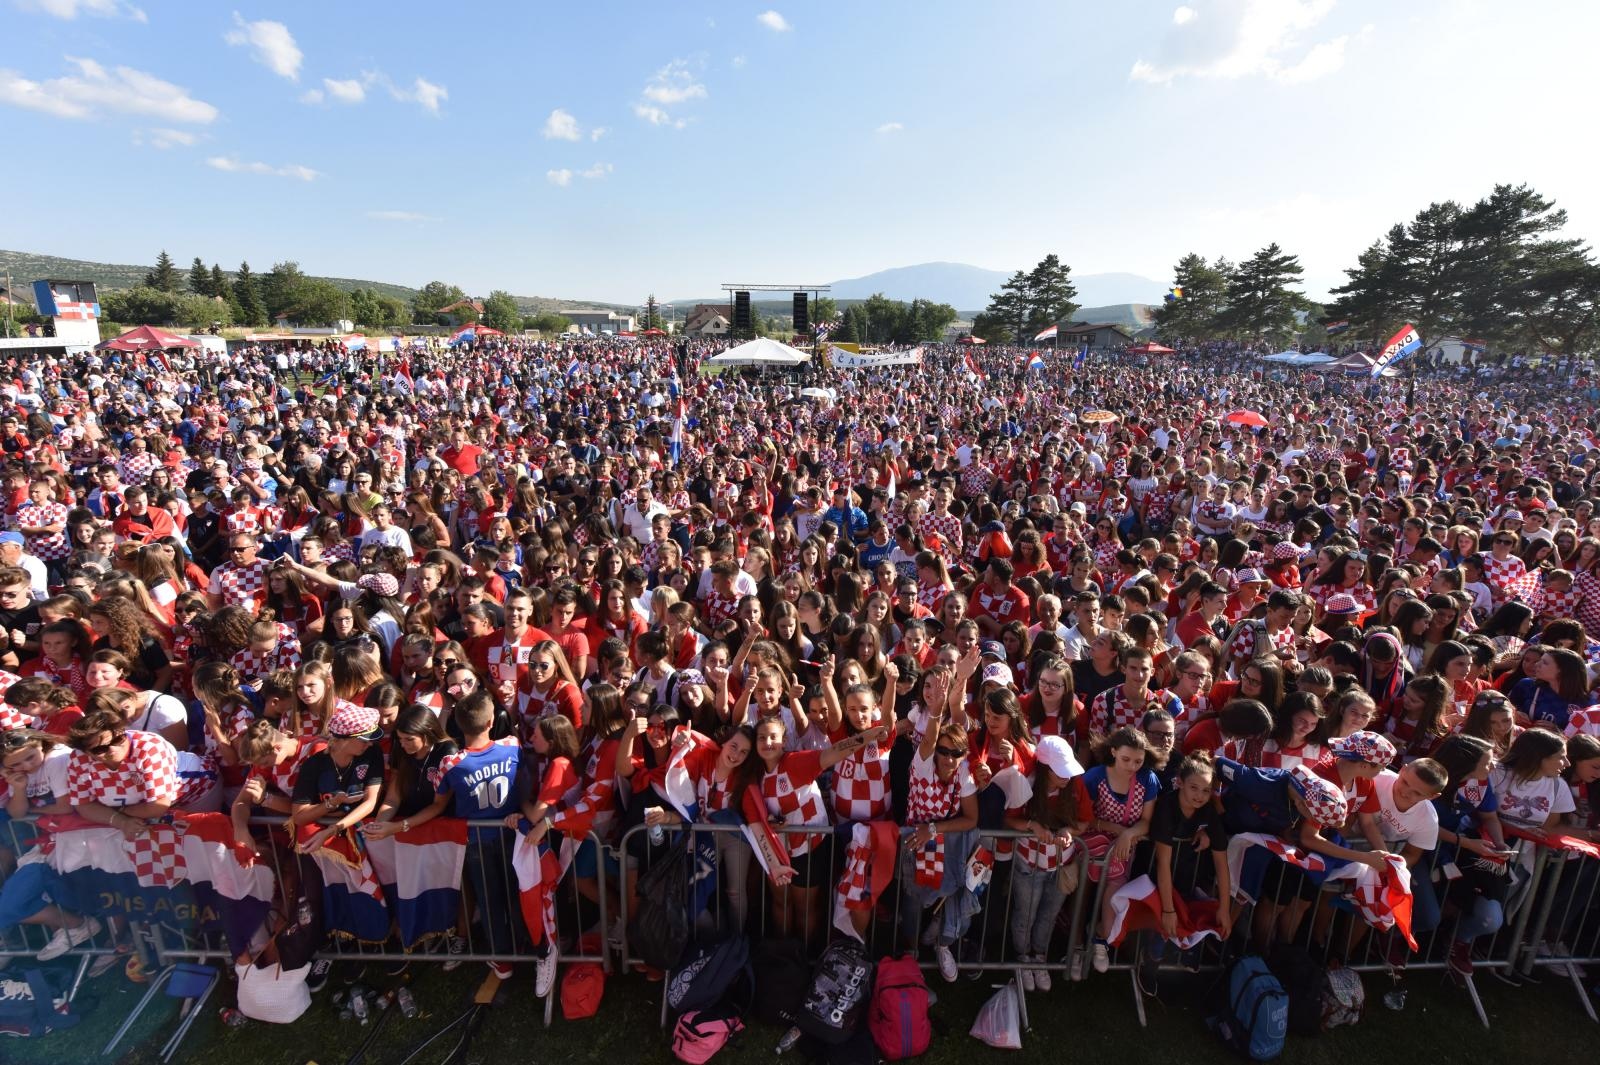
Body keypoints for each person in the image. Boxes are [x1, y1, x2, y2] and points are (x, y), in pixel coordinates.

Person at [1005, 735, 1083, 991]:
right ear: (1045, 769)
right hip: (1029, 863)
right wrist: (1032, 825)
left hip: (1061, 864)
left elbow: (1084, 821)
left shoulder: (1075, 785)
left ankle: (1039, 957)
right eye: (1060, 771)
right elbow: (1009, 819)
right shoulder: (1025, 784)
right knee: (1025, 914)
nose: (1066, 776)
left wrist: (1069, 831)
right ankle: (1022, 959)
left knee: (1049, 915)